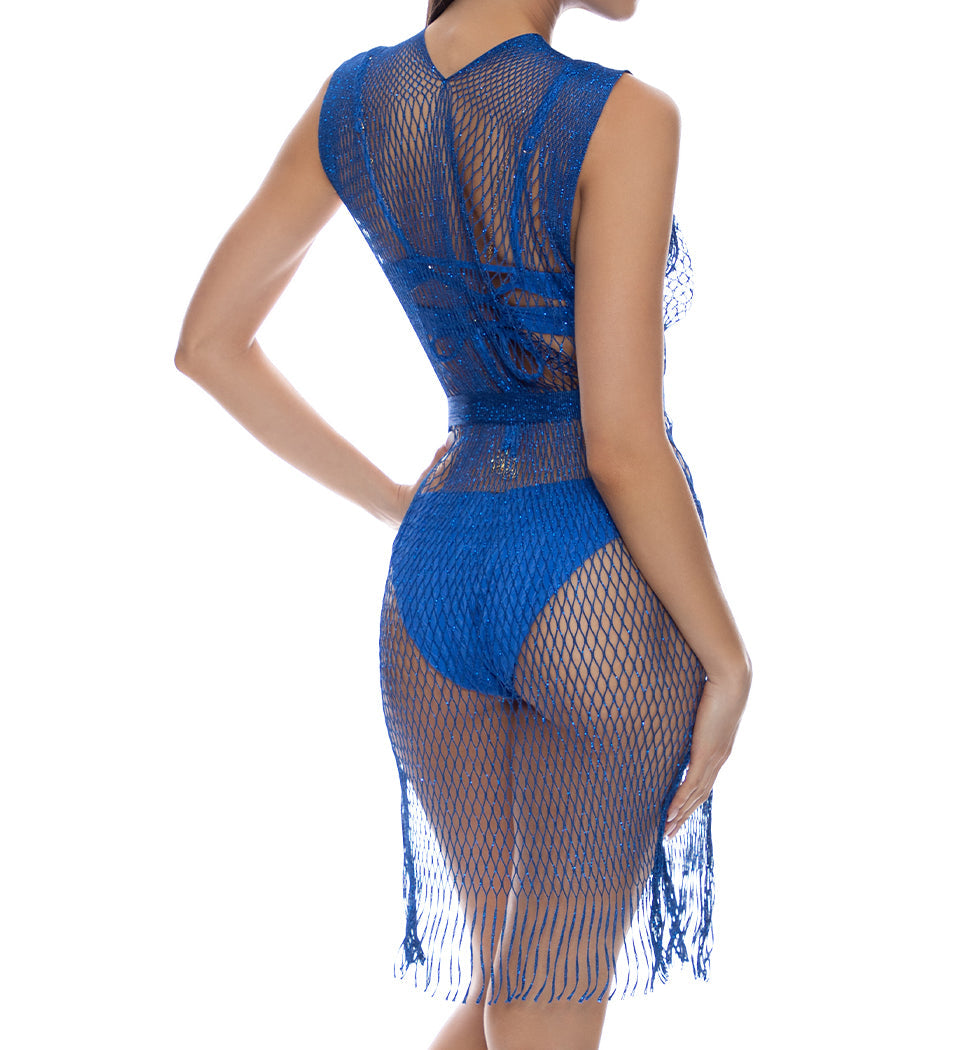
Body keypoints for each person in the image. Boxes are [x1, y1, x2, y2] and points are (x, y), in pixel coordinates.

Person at [175, 0, 752, 1046]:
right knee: (539, 998)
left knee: (504, 992)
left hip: (434, 578)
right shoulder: (623, 116)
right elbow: (622, 446)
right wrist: (728, 658)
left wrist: (398, 505)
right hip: (588, 576)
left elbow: (209, 343)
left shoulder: (355, 103)